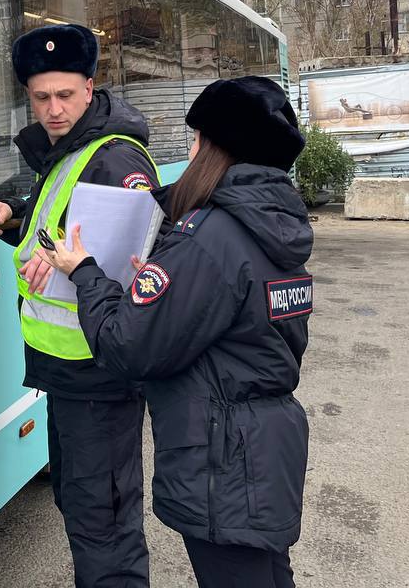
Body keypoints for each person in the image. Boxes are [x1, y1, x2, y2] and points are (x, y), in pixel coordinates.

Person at [29, 76, 313, 588]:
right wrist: (165, 283)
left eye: (196, 139)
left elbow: (129, 346)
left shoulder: (209, 236)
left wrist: (87, 273)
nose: (189, 149)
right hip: (264, 445)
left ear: (217, 149)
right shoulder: (273, 227)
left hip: (223, 456)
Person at [0, 22, 160, 588]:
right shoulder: (67, 152)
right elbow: (57, 235)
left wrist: (67, 262)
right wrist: (13, 220)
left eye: (65, 95)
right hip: (70, 372)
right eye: (40, 98)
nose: (53, 109)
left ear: (90, 87)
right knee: (84, 511)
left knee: (102, 522)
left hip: (98, 373)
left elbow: (131, 266)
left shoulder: (114, 160)